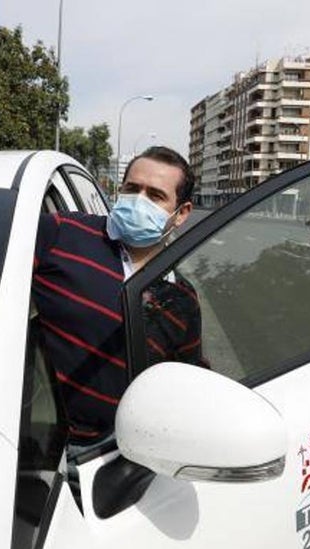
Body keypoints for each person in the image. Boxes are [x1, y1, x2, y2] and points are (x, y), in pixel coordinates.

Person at [32, 146, 204, 446]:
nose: (139, 200)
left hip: (108, 458)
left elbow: (187, 388)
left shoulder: (181, 299)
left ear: (182, 214)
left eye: (155, 195)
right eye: (132, 189)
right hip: (25, 437)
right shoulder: (61, 233)